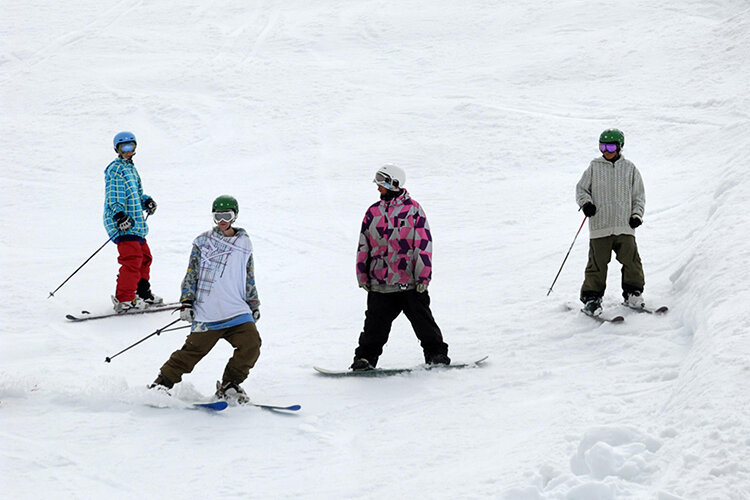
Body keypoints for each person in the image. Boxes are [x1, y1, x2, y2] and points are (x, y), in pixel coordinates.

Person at [149, 195, 261, 404]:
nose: (222, 221)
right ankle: (161, 385)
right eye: (217, 216)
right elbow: (192, 273)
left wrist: (253, 303)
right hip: (208, 312)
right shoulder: (202, 242)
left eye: (226, 216)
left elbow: (249, 275)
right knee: (191, 353)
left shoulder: (244, 243)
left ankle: (230, 385)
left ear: (235, 216)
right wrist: (187, 302)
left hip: (237, 310)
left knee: (251, 345)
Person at [351, 164, 450, 370]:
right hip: (381, 283)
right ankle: (365, 359)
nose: (378, 188)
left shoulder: (413, 210)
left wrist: (423, 277)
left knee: (423, 321)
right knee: (374, 326)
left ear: (393, 183)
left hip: (410, 283)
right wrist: (363, 275)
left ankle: (436, 354)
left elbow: (423, 244)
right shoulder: (373, 212)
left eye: (381, 184)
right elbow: (364, 244)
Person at [576, 128, 646, 316]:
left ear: (620, 147)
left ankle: (633, 292)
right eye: (603, 146)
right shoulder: (594, 167)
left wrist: (636, 215)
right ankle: (592, 298)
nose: (606, 151)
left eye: (611, 146)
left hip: (625, 225)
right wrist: (586, 204)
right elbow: (581, 189)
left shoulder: (629, 168)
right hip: (600, 226)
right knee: (597, 264)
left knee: (631, 261)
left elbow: (638, 196)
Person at [103, 131, 162, 312]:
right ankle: (125, 299)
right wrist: (119, 215)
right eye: (124, 147)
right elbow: (114, 196)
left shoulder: (130, 168)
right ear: (117, 149)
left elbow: (135, 193)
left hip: (136, 224)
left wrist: (146, 201)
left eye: (131, 147)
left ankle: (142, 293)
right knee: (132, 259)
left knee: (144, 258)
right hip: (123, 223)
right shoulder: (116, 169)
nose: (128, 150)